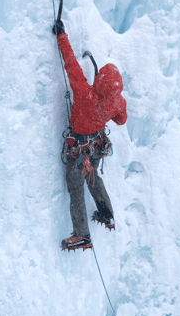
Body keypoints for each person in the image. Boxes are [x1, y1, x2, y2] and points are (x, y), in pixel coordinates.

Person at [51, 18, 127, 251]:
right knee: (93, 178)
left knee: (76, 187)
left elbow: (71, 64)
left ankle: (82, 234)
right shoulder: (117, 102)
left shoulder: (85, 93)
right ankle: (106, 213)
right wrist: (111, 109)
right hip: (96, 145)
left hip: (78, 148)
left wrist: (61, 35)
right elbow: (121, 119)